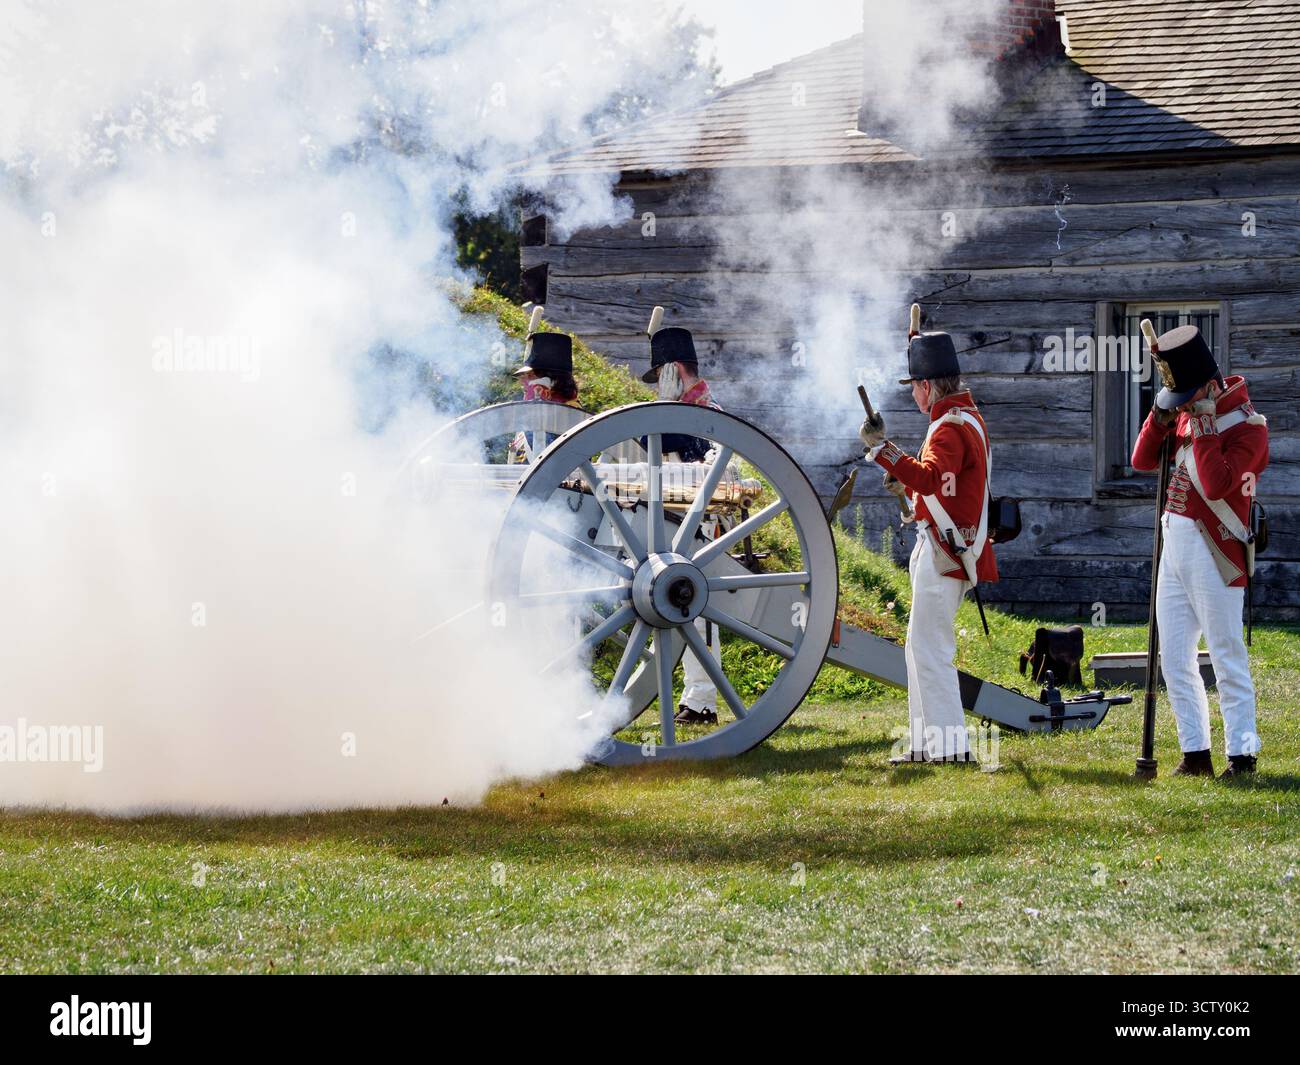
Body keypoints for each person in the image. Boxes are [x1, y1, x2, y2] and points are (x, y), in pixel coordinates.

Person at [1131, 325, 1269, 779]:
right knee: (1174, 657)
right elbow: (1141, 460)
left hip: (1217, 550)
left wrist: (1205, 424)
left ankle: (1242, 755)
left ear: (1209, 387)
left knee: (1226, 654)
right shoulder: (1188, 409)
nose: (1185, 406)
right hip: (1175, 545)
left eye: (1190, 397)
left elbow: (1215, 484)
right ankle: (1195, 753)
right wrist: (1159, 417)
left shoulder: (1248, 427)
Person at [859, 329, 997, 764]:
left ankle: (952, 747)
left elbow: (933, 477)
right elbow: (941, 487)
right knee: (918, 646)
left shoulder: (949, 428)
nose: (914, 396)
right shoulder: (959, 419)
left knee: (931, 649)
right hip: (941, 543)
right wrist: (907, 480)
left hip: (946, 550)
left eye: (915, 386)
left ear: (927, 386)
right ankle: (924, 744)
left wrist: (883, 450)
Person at [642, 325, 725, 726]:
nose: (659, 384)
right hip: (679, 525)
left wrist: (662, 404)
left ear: (674, 372)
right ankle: (696, 697)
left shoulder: (705, 414)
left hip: (705, 528)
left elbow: (650, 435)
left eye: (661, 375)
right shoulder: (687, 412)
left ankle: (702, 701)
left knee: (698, 612)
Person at [510, 330, 581, 460]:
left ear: (551, 379)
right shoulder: (530, 415)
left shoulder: (571, 412)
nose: (523, 381)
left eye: (531, 376)